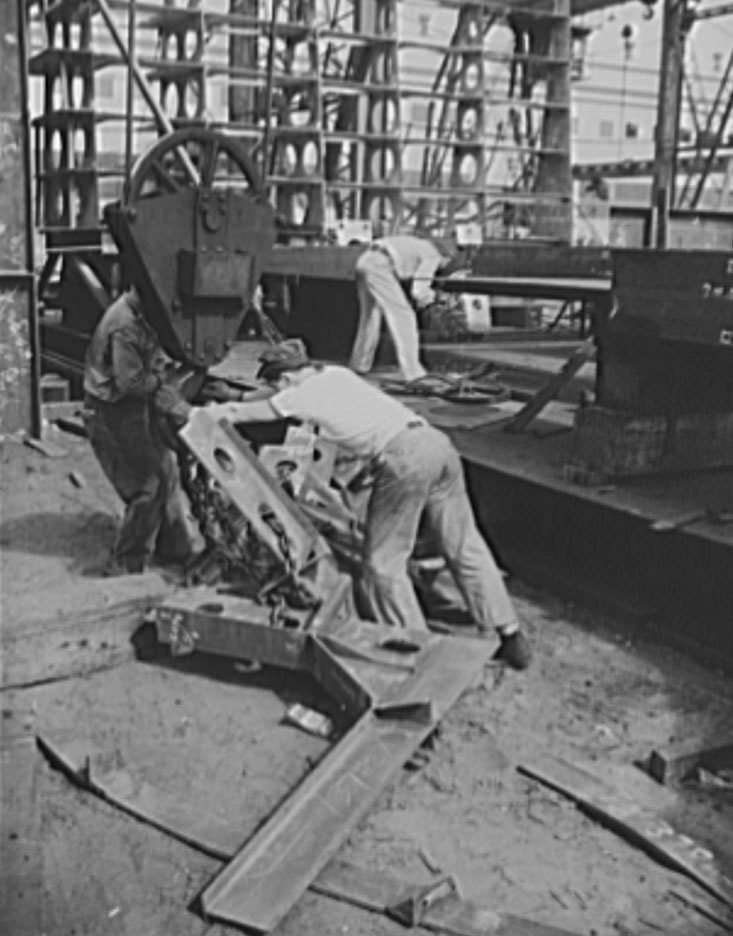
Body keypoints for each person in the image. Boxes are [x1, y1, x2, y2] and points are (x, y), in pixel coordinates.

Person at [203, 339, 531, 669]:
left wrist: (199, 412)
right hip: (436, 444)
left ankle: (414, 653)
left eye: (274, 384)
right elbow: (280, 402)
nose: (275, 391)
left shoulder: (298, 395)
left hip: (404, 460)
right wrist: (241, 394)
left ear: (285, 380)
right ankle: (510, 634)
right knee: (464, 544)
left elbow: (239, 414)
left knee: (381, 565)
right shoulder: (335, 374)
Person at [83, 285, 204, 575]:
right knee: (148, 484)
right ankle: (127, 561)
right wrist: (166, 385)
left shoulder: (144, 314)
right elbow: (132, 382)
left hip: (133, 406)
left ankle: (176, 549)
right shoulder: (124, 325)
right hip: (110, 413)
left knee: (168, 469)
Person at [350, 234, 455, 382]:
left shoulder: (419, 244)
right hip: (380, 265)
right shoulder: (433, 255)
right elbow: (419, 291)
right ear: (446, 257)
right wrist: (436, 298)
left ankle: (360, 364)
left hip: (364, 260)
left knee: (370, 316)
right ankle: (414, 373)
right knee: (403, 316)